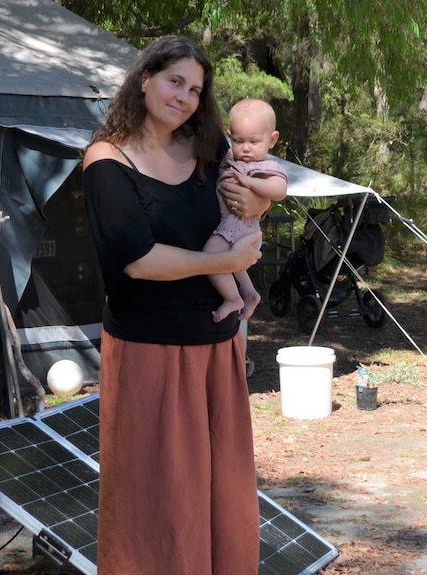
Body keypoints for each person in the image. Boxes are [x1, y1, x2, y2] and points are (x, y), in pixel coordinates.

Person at [82, 35, 279, 575]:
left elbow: (253, 190)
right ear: (144, 78)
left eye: (195, 89)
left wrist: (258, 201)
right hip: (150, 353)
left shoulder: (204, 146)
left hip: (216, 349)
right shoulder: (106, 161)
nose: (185, 97)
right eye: (175, 81)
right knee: (158, 504)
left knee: (220, 498)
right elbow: (139, 260)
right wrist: (224, 261)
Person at [206, 98, 287, 322]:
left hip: (241, 227)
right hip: (233, 224)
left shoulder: (265, 167)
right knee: (233, 263)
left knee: (211, 256)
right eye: (239, 140)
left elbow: (279, 190)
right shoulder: (232, 157)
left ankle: (233, 298)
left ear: (272, 140)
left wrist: (251, 184)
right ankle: (250, 293)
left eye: (254, 141)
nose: (246, 148)